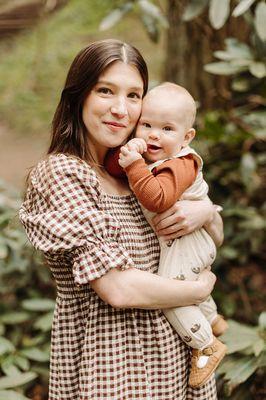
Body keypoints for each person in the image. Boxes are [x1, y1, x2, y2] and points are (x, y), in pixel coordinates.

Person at [20, 39, 222, 399]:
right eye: (105, 91)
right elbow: (119, 289)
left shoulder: (140, 173)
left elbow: (212, 238)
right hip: (116, 367)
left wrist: (204, 211)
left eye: (133, 95)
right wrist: (199, 290)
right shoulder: (63, 173)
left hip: (177, 362)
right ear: (78, 96)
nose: (120, 109)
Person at [117, 82, 227, 388]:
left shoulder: (181, 163)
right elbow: (120, 169)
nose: (154, 134)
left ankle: (206, 344)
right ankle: (213, 318)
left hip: (191, 242)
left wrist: (135, 164)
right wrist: (130, 154)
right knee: (185, 282)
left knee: (171, 292)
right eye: (147, 125)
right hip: (184, 241)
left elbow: (158, 199)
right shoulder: (155, 158)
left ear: (186, 137)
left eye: (166, 128)